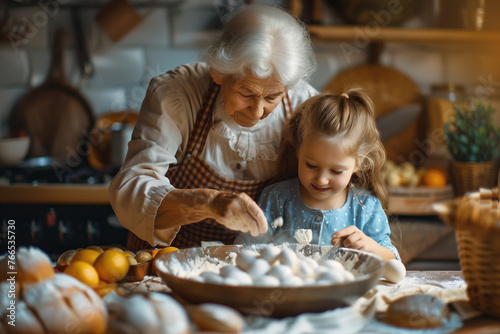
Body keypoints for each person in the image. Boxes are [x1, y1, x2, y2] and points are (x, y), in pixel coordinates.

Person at [108, 4, 318, 251]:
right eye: (246, 92)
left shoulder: (305, 107)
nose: (257, 111)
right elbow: (130, 189)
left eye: (272, 97)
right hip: (170, 261)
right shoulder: (177, 95)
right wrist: (207, 203)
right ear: (219, 71)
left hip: (259, 267)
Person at [257, 89, 400, 261]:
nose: (321, 179)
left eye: (336, 171)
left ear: (359, 163)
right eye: (311, 165)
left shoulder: (366, 207)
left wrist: (371, 248)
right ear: (298, 150)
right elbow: (249, 250)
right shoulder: (277, 199)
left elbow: (394, 263)